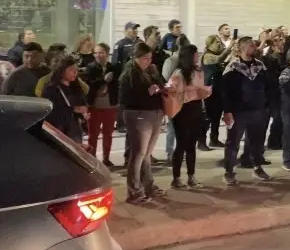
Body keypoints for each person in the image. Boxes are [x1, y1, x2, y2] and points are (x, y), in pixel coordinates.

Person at [119, 42, 166, 204]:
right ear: (136, 57)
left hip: (154, 113)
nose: (148, 61)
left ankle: (148, 186)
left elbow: (161, 84)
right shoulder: (129, 74)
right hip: (138, 114)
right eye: (145, 58)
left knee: (147, 154)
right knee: (138, 153)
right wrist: (147, 92)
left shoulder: (152, 70)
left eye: (150, 58)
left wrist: (162, 88)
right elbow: (125, 99)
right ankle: (134, 191)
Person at [222, 37, 271, 185]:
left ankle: (257, 167)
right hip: (239, 111)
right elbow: (225, 92)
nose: (254, 47)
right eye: (250, 45)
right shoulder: (233, 67)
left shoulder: (260, 66)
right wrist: (227, 111)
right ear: (242, 48)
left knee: (257, 141)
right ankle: (229, 171)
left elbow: (268, 86)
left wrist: (267, 104)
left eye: (254, 45)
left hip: (258, 110)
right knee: (233, 142)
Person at [165, 44, 212, 189]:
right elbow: (170, 89)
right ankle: (176, 177)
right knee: (182, 144)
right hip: (183, 109)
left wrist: (204, 92)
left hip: (196, 107)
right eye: (195, 54)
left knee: (192, 144)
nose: (198, 56)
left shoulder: (198, 71)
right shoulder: (179, 73)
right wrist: (189, 89)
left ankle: (191, 176)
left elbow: (201, 90)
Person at [85, 43, 120, 166]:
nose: (98, 55)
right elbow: (89, 84)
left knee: (108, 134)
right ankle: (91, 158)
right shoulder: (90, 67)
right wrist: (103, 80)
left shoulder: (115, 67)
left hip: (110, 106)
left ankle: (106, 158)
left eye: (101, 52)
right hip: (94, 106)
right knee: (93, 134)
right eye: (96, 53)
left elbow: (117, 84)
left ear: (107, 53)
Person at [202, 25, 235, 148]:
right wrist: (230, 46)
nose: (219, 44)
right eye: (216, 43)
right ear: (210, 44)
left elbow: (222, 62)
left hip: (218, 89)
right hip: (209, 90)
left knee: (216, 116)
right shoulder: (207, 55)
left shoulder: (215, 56)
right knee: (208, 117)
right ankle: (201, 141)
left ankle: (214, 139)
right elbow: (219, 59)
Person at [41, 56, 87, 143]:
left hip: (75, 129)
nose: (75, 72)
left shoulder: (76, 87)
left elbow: (82, 101)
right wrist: (73, 109)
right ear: (61, 71)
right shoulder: (51, 89)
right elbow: (50, 112)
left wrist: (83, 113)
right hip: (59, 129)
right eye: (71, 70)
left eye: (76, 70)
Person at [261, 35, 287, 151]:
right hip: (272, 92)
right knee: (276, 117)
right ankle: (272, 142)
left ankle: (277, 140)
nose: (279, 43)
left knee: (280, 118)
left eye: (281, 40)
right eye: (276, 41)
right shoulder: (269, 58)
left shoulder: (285, 56)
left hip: (282, 90)